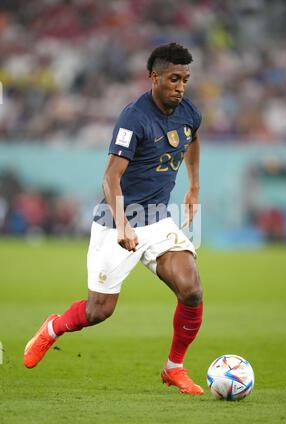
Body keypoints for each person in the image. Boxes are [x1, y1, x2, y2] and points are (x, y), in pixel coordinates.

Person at [24, 43, 204, 395]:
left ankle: (174, 368)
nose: (180, 86)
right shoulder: (134, 117)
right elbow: (110, 178)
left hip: (158, 220)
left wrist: (193, 188)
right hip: (115, 219)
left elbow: (192, 140)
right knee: (98, 311)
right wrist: (123, 223)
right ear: (154, 78)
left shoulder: (189, 113)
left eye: (185, 79)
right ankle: (53, 328)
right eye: (173, 79)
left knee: (192, 289)